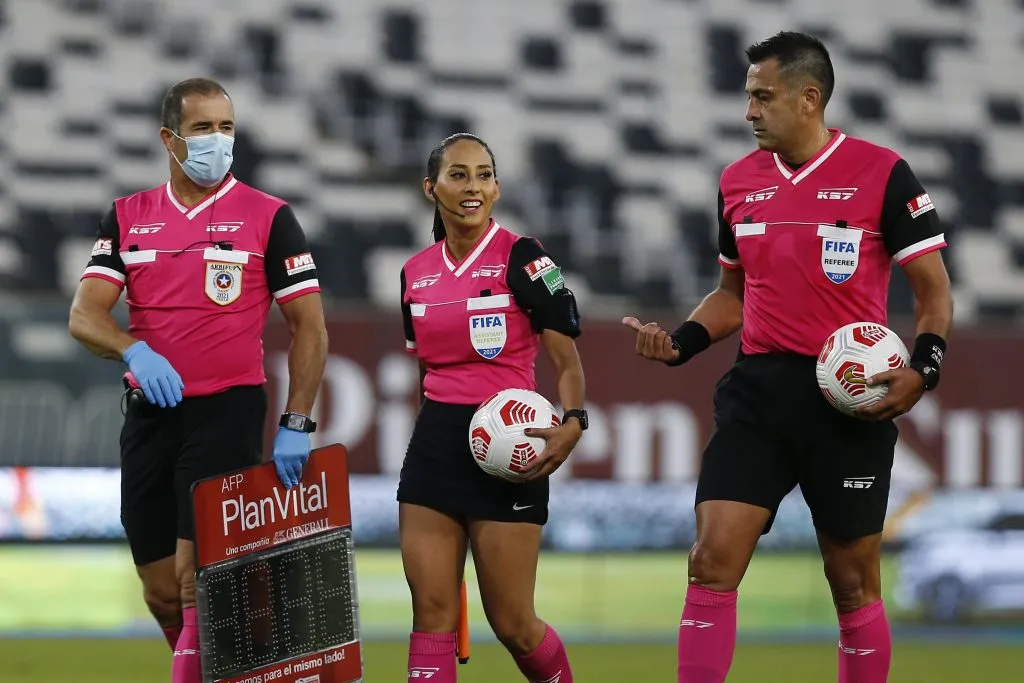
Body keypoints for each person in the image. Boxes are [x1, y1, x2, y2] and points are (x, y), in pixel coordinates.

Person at [624, 32, 953, 683]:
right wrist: (682, 341)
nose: (749, 111)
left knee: (853, 581)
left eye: (761, 96)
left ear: (809, 98)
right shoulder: (736, 181)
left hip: (849, 400)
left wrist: (925, 368)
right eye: (748, 96)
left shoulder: (883, 172)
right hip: (759, 391)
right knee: (711, 559)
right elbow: (731, 296)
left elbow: (934, 291)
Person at [68, 78, 328, 683]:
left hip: (228, 412)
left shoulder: (269, 217)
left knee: (197, 584)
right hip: (152, 417)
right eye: (204, 129)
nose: (219, 141)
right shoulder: (129, 216)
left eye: (227, 128)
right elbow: (84, 316)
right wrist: (134, 352)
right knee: (160, 590)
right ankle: (239, 672)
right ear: (170, 138)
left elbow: (309, 329)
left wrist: (295, 422)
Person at [399, 133, 587, 683]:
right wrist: (428, 444)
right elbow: (424, 372)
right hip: (436, 446)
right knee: (431, 616)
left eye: (484, 174)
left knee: (512, 623)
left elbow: (567, 362)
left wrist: (573, 421)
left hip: (511, 450)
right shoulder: (414, 273)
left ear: (498, 187)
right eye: (459, 175)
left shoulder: (523, 257)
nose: (473, 186)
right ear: (431, 188)